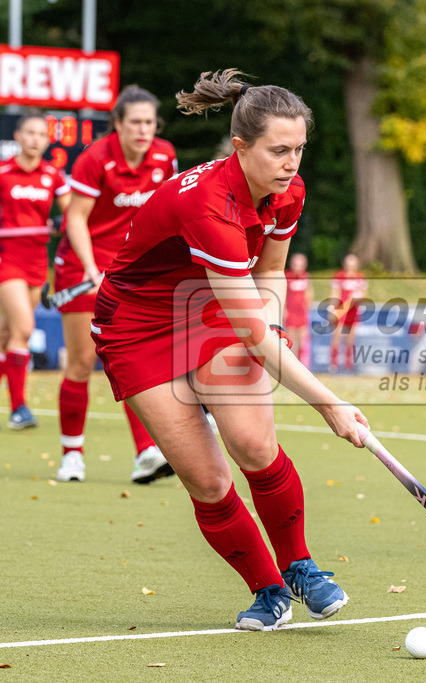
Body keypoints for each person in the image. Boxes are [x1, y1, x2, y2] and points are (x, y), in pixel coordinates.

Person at [91, 68, 369, 631]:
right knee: (209, 481)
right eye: (279, 150)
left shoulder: (287, 191)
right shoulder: (209, 207)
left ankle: (301, 567)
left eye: (299, 149)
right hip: (136, 326)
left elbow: (269, 273)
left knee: (251, 442)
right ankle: (268, 591)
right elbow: (253, 331)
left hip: (209, 305)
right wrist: (328, 402)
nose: (292, 163)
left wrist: (272, 325)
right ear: (240, 147)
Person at [54, 85, 178, 484]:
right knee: (81, 363)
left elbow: (169, 210)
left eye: (149, 122)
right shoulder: (95, 159)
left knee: (130, 357)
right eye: (135, 122)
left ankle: (146, 452)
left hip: (129, 270)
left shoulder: (164, 154)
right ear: (118, 125)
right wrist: (91, 268)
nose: (144, 130)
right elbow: (75, 219)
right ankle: (72, 455)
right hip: (82, 264)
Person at [0, 111, 71, 429]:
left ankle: (16, 405)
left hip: (36, 261)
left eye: (41, 135)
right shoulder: (3, 171)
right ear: (17, 136)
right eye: (29, 133)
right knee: (25, 329)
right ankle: (19, 409)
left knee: (7, 334)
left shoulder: (52, 175)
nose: (35, 139)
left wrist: (62, 222)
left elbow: (74, 213)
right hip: (6, 258)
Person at [327, 253, 367, 373]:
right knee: (337, 336)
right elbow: (335, 293)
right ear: (345, 264)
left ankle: (348, 365)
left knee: (351, 339)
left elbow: (364, 294)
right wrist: (332, 307)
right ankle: (333, 364)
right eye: (349, 263)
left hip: (354, 311)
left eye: (353, 263)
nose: (350, 266)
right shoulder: (339, 276)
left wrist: (359, 296)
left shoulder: (360, 278)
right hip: (341, 310)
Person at [284, 252, 313, 365]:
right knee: (291, 338)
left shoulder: (306, 276)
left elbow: (309, 291)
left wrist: (308, 304)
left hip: (301, 312)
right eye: (296, 263)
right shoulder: (287, 276)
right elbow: (283, 294)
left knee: (302, 339)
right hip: (291, 311)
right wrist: (284, 309)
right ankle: (291, 364)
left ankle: (301, 364)